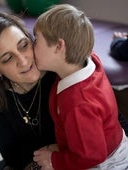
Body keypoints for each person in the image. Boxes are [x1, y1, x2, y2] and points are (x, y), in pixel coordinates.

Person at [33, 4, 128, 170]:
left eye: (36, 39)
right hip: (109, 142)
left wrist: (55, 160)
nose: (32, 46)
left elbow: (91, 157)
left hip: (104, 163)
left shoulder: (79, 104)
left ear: (58, 46)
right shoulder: (88, 61)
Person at [0, 12, 57, 170]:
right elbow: (12, 155)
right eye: (7, 58)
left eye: (24, 45)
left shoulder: (59, 73)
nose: (23, 61)